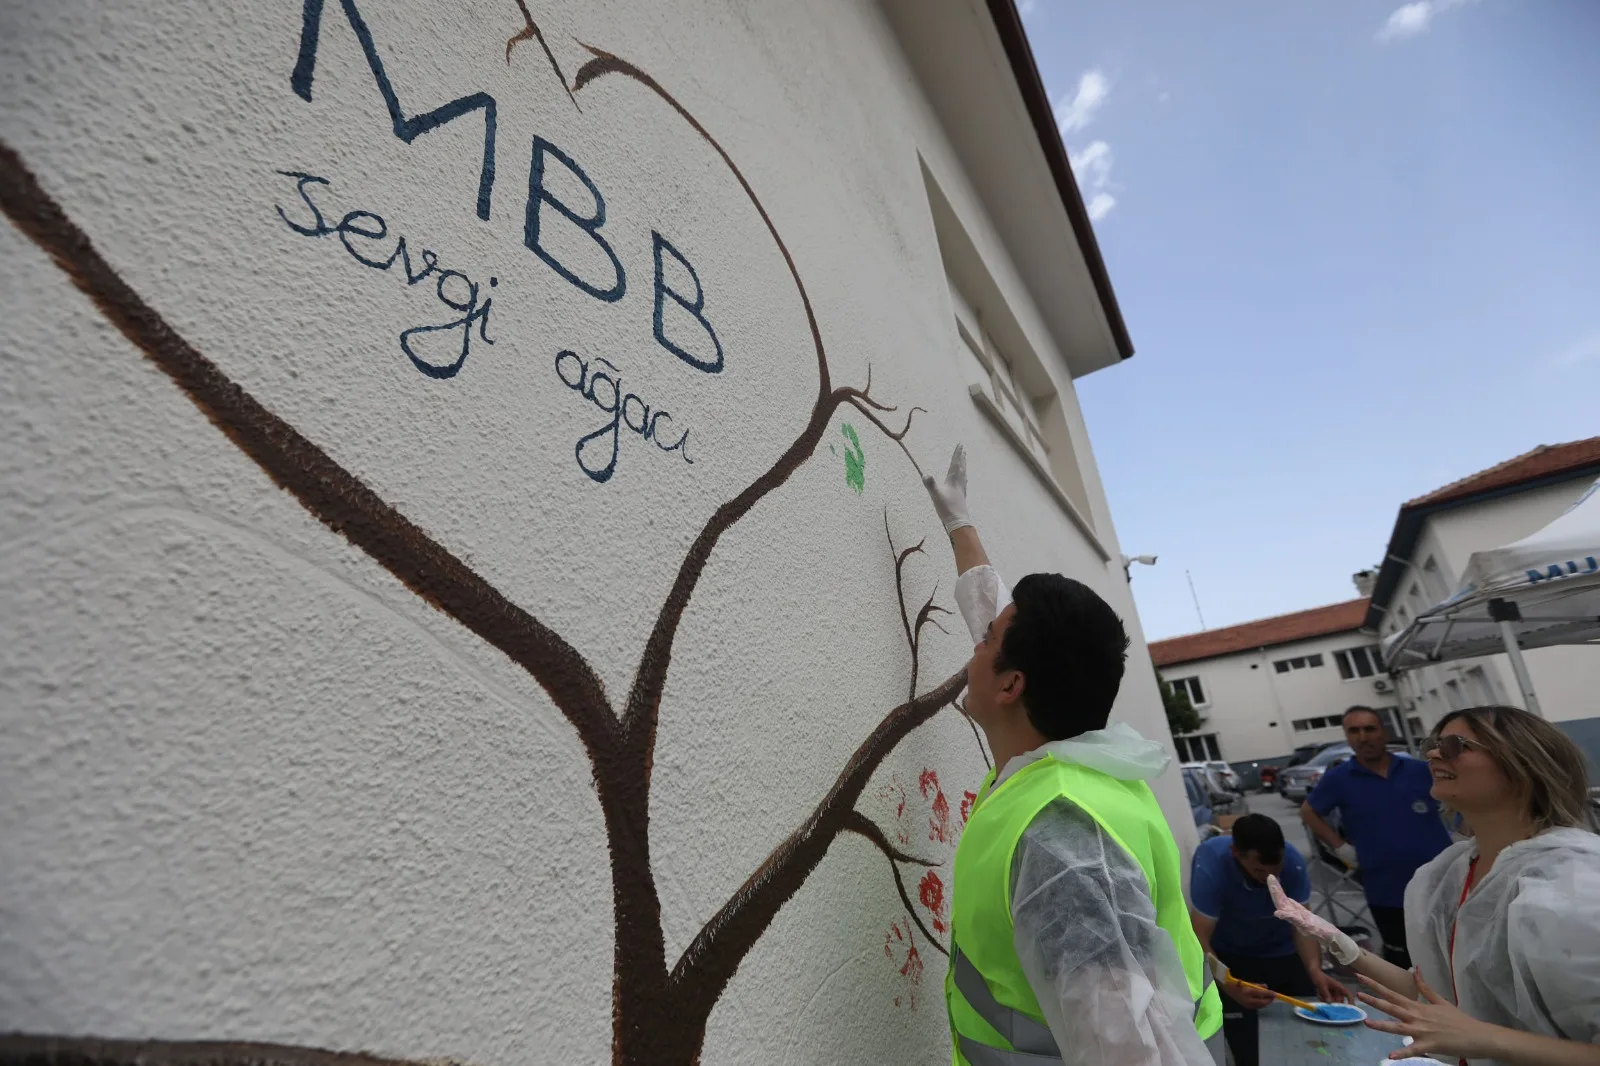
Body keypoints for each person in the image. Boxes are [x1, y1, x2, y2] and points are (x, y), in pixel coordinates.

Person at [923, 447, 1224, 1066]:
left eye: (987, 642)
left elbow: (1132, 1054)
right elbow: (996, 629)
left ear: (1012, 686)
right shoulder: (1080, 771)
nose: (975, 646)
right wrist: (960, 525)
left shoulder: (1062, 841)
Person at [1271, 705, 1600, 1065]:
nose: (1432, 755)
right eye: (1432, 744)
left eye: (1455, 745)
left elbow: (1471, 1030)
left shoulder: (1574, 885)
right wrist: (1343, 946)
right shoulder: (1449, 875)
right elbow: (1442, 995)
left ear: (1521, 765)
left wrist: (1483, 1038)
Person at [1189, 814, 1351, 1066]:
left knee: (1310, 1033)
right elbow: (1199, 936)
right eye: (1259, 871)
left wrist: (1314, 970)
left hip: (1283, 950)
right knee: (1248, 1045)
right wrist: (1228, 984)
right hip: (1231, 954)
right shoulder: (1211, 863)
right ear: (1236, 853)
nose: (1268, 878)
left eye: (1276, 871)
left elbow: (1302, 925)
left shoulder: (1293, 863)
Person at [1300, 704, 1452, 967]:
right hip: (1387, 891)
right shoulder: (1339, 779)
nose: (1363, 737)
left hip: (1443, 883)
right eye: (1354, 731)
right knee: (1405, 964)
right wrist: (1340, 847)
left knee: (1453, 956)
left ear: (1384, 732)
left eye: (1369, 729)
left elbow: (1459, 796)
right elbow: (1308, 811)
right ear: (1347, 737)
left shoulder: (1419, 771)